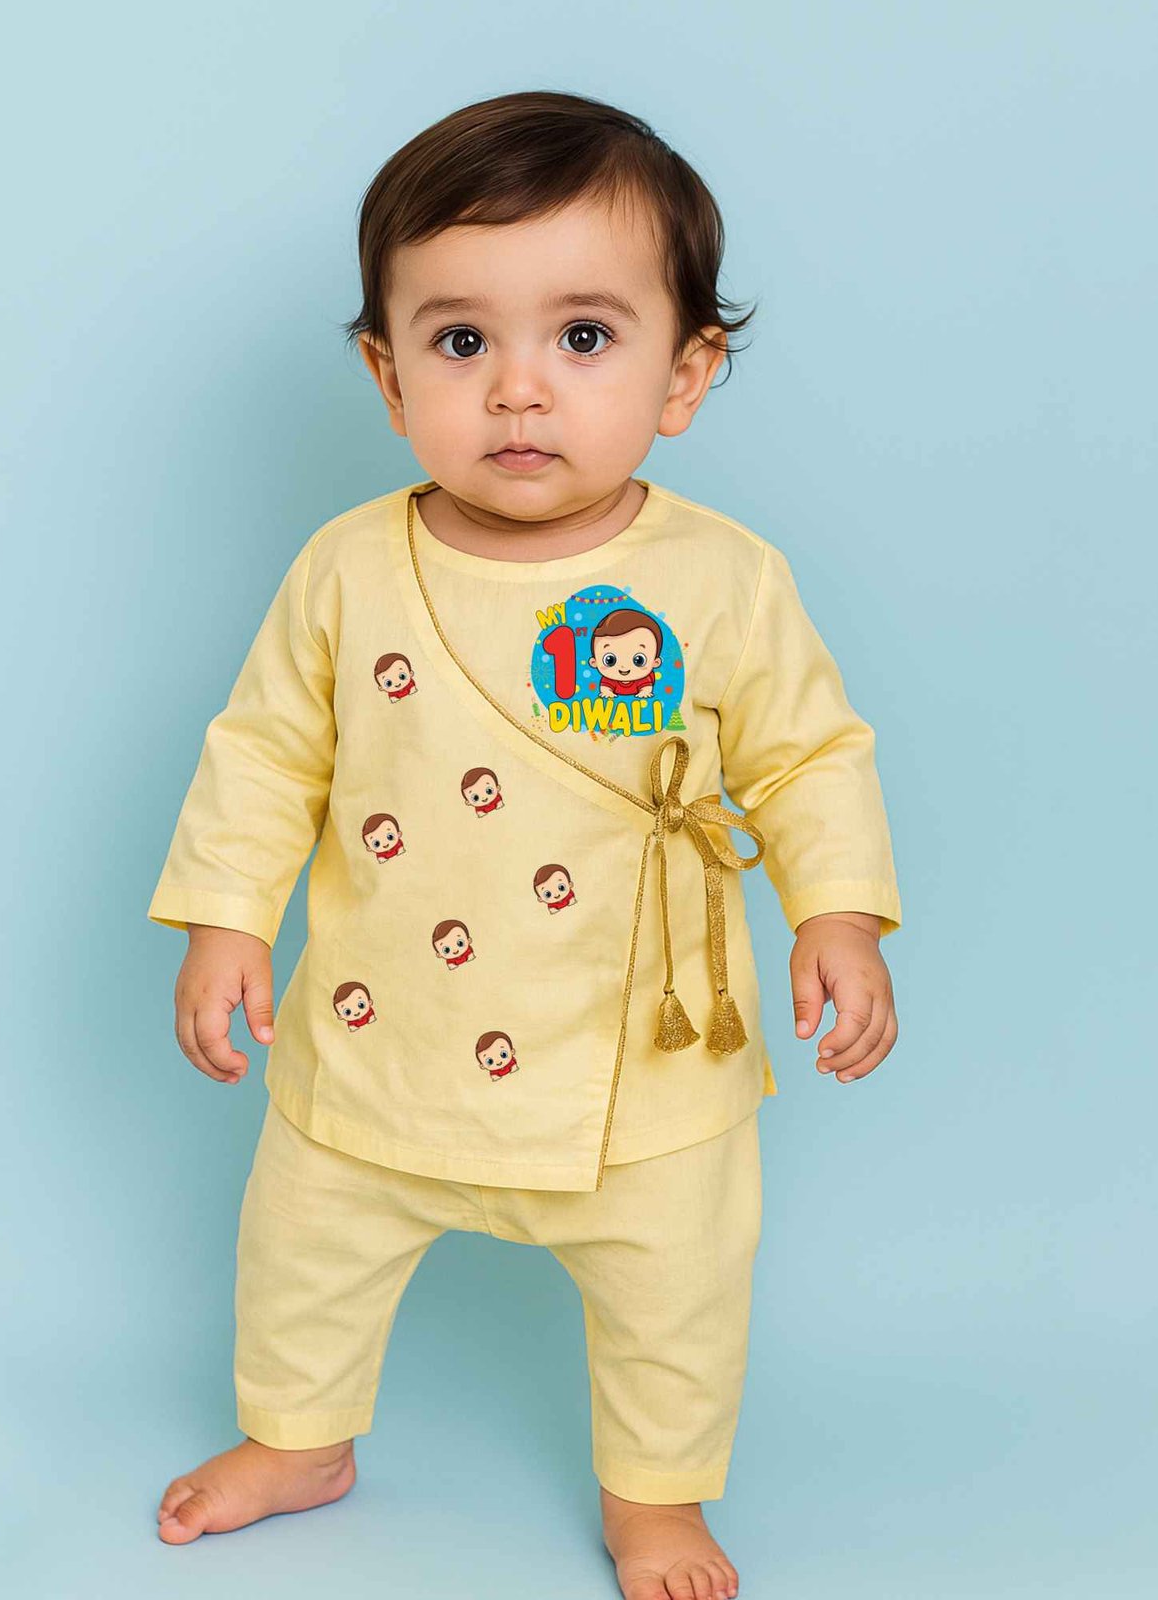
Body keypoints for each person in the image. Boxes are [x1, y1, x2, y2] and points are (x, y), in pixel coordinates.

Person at [146, 90, 903, 1600]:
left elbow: (808, 754)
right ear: (386, 374)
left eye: (584, 336)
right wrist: (226, 919)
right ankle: (298, 1439)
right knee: (301, 1244)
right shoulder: (347, 570)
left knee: (676, 1287)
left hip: (636, 1058)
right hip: (384, 1028)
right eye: (458, 341)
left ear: (685, 374)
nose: (516, 392)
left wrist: (838, 914)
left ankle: (657, 1496)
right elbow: (268, 752)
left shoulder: (720, 581)